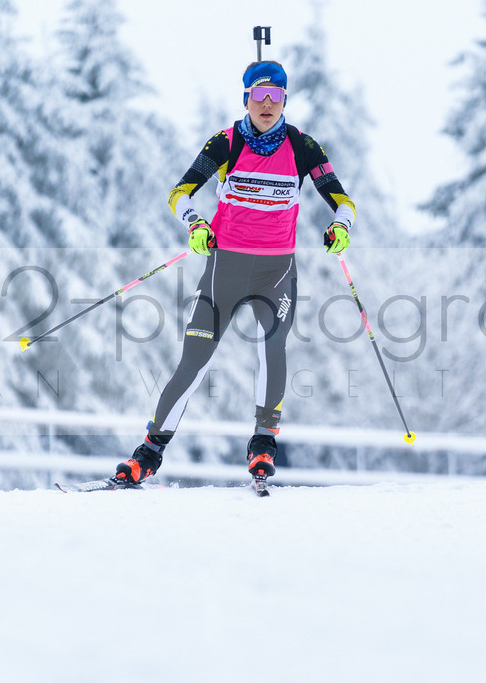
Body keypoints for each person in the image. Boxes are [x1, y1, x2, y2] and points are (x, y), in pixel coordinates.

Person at [109, 60, 355, 489]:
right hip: (225, 270)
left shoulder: (303, 147)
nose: (266, 104)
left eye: (275, 96)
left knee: (272, 347)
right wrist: (195, 223)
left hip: (276, 273)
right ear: (245, 99)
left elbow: (342, 200)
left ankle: (263, 443)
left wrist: (341, 226)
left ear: (284, 101)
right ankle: (148, 453)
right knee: (193, 362)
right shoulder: (225, 142)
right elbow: (179, 192)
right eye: (258, 95)